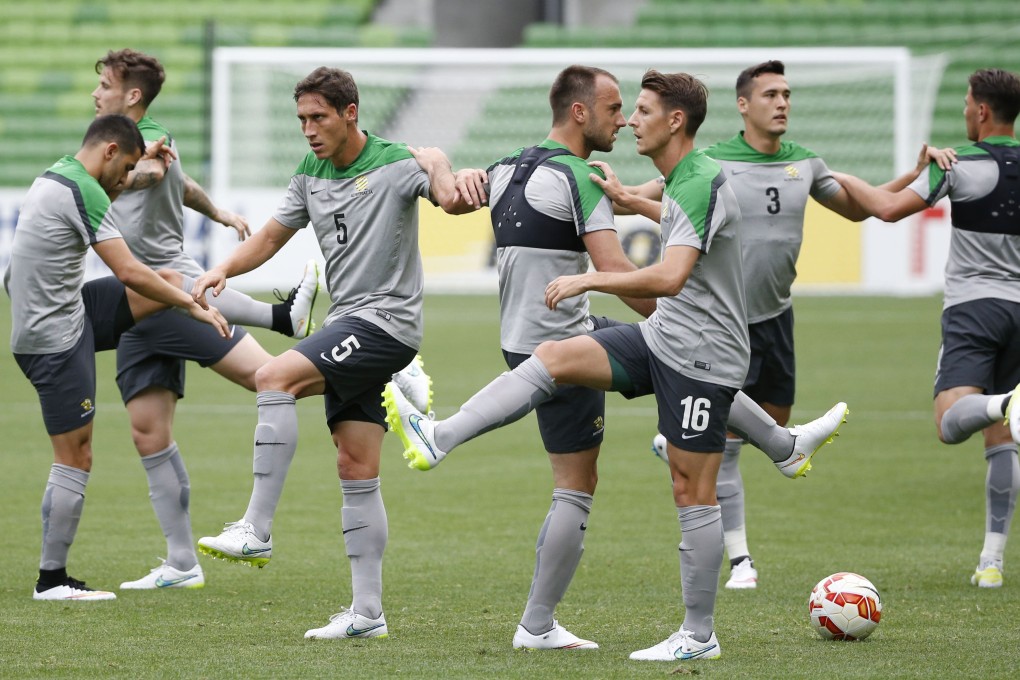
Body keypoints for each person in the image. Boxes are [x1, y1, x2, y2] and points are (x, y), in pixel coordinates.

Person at [406, 65, 847, 651]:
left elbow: (669, 275)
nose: (631, 120)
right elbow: (685, 225)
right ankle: (439, 436)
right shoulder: (683, 177)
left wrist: (587, 279)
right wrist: (627, 199)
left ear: (675, 120)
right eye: (624, 109)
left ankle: (698, 635)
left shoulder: (699, 178)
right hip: (665, 337)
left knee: (691, 490)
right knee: (556, 357)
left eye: (639, 110)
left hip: (700, 356)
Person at [632, 60, 951, 589]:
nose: (782, 103)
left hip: (775, 320)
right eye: (770, 94)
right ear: (743, 105)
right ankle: (741, 561)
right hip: (719, 322)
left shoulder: (806, 164)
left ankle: (680, 436)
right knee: (731, 444)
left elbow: (866, 208)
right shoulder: (709, 163)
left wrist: (923, 173)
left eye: (786, 94)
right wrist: (618, 199)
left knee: (765, 425)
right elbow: (657, 202)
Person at [192, 66, 460, 639]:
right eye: (301, 119)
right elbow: (268, 238)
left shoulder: (394, 163)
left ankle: (256, 528)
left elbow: (452, 201)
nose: (308, 130)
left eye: (318, 118)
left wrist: (437, 163)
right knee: (356, 468)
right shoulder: (310, 171)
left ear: (350, 114)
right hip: (349, 323)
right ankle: (368, 615)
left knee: (273, 376)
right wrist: (221, 269)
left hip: (384, 323)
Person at [89, 48, 321, 592]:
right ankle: (180, 562)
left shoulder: (142, 143)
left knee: (277, 380)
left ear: (132, 95)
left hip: (162, 299)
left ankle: (374, 368)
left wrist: (118, 176)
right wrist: (218, 212)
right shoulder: (133, 140)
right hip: (137, 307)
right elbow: (181, 182)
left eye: (104, 84)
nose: (96, 93)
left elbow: (149, 171)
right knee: (149, 433)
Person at [4, 114, 231, 601]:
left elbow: (12, 274)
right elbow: (128, 271)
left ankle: (271, 317)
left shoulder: (57, 175)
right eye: (125, 168)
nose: (126, 179)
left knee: (169, 277)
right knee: (77, 455)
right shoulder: (82, 190)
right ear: (109, 151)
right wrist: (193, 306)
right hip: (56, 340)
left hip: (68, 315)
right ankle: (52, 579)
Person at [834, 68, 1020, 589]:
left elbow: (887, 210)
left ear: (982, 111)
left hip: (975, 309)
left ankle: (1004, 402)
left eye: (966, 103)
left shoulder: (958, 165)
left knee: (950, 421)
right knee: (1001, 441)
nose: (963, 111)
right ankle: (992, 563)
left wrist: (837, 178)